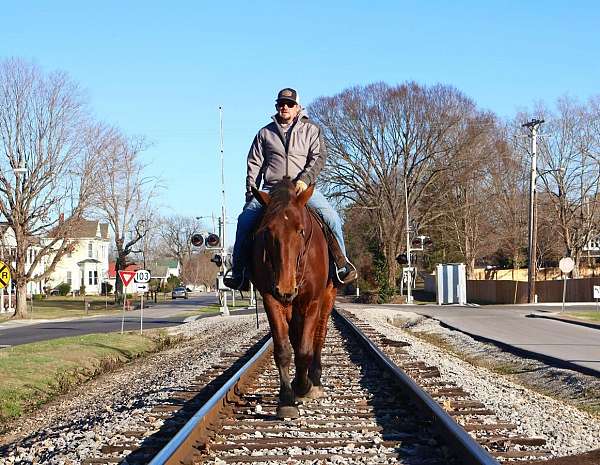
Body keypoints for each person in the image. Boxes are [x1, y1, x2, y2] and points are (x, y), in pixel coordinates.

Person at [224, 88, 357, 290]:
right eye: (281, 104)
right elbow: (254, 164)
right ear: (277, 106)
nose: (284, 107)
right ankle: (239, 271)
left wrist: (305, 179)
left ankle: (341, 265)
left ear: (297, 107)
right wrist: (251, 194)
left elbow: (318, 157)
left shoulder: (311, 129)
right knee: (244, 220)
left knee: (332, 217)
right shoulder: (264, 133)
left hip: (300, 189)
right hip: (271, 188)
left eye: (289, 104)